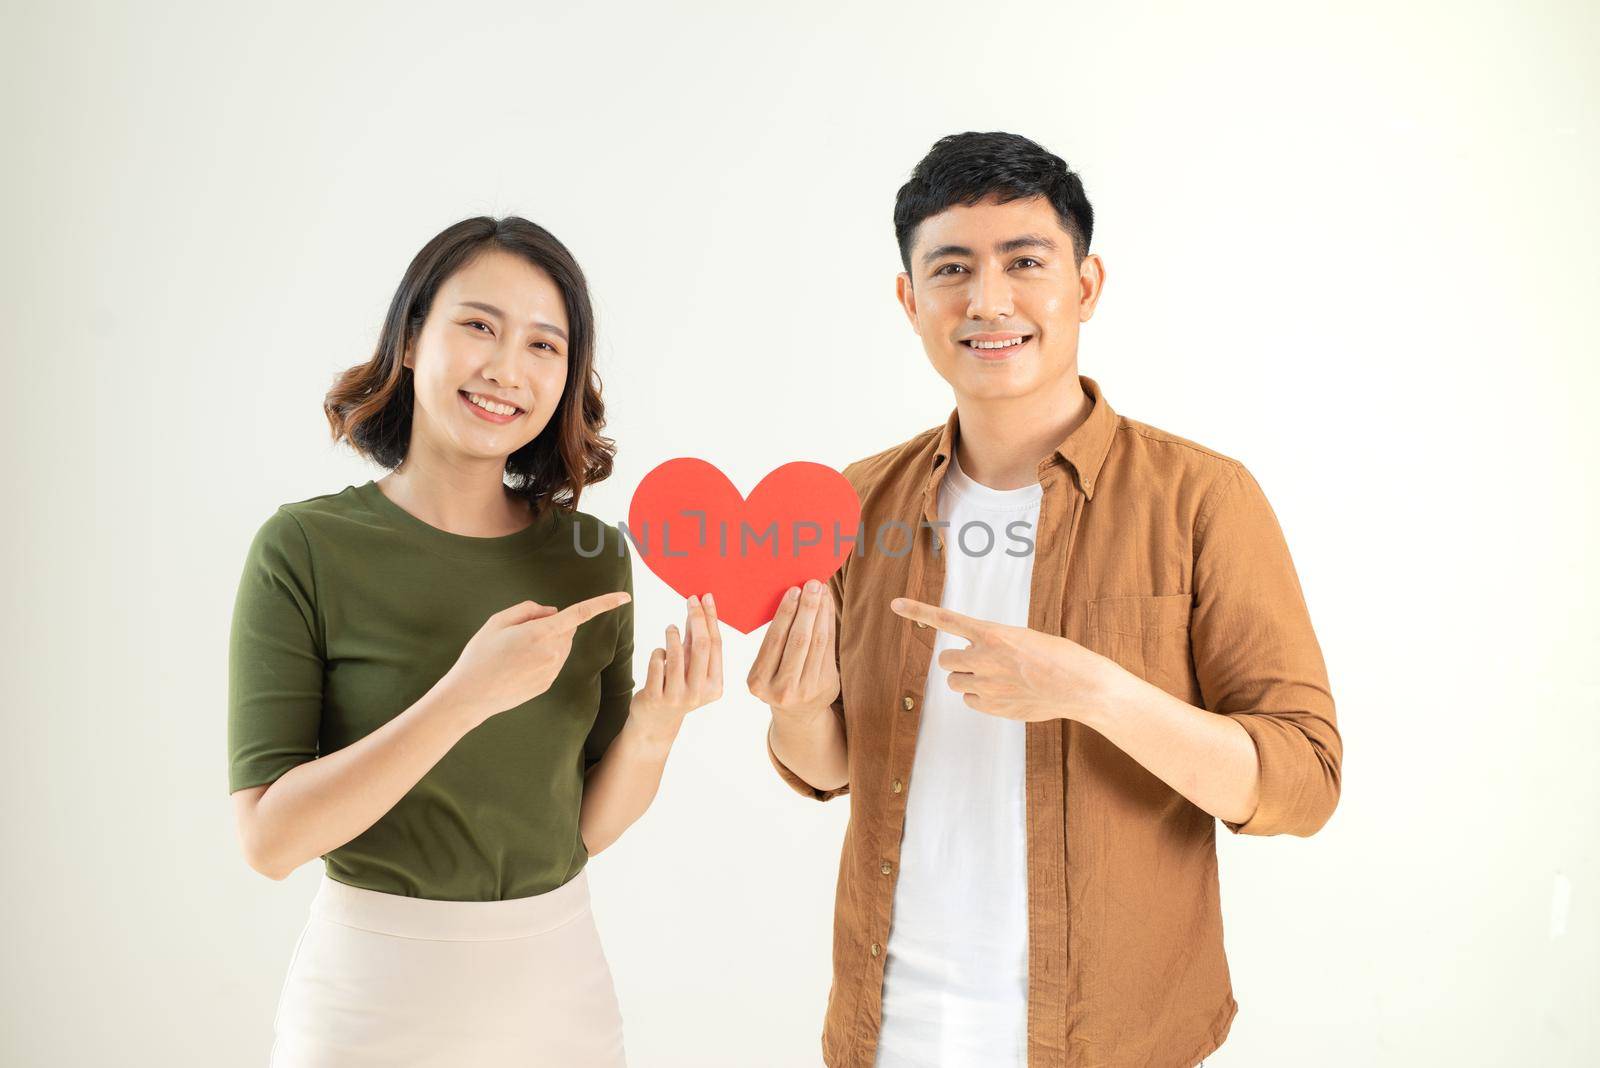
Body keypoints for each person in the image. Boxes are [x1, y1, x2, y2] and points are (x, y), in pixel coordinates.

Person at [747, 132, 1341, 1068]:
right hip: (886, 1032)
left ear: (1086, 286)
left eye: (1025, 262)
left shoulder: (1202, 498)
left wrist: (1098, 693)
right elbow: (828, 770)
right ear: (910, 301)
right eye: (951, 269)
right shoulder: (853, 504)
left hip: (1110, 1040)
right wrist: (796, 710)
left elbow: (1304, 782)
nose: (989, 302)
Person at [227, 215, 722, 1067]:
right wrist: (465, 697)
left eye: (544, 345)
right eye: (479, 326)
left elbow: (584, 829)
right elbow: (271, 841)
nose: (506, 369)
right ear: (412, 338)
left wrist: (658, 724)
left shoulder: (589, 554)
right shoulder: (304, 548)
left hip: (560, 993)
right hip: (368, 1003)